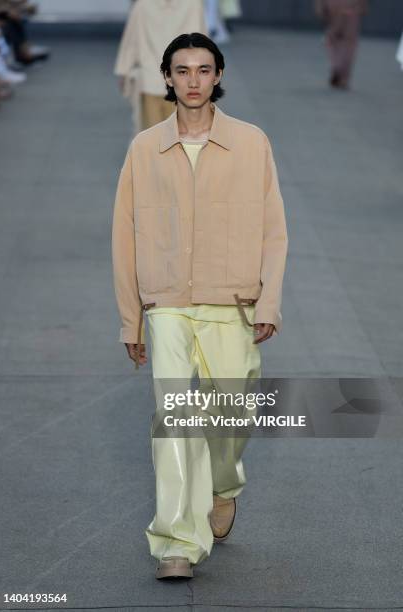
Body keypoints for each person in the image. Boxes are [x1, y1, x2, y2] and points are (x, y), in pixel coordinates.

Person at [112, 32, 288, 580]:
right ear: (166, 77)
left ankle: (223, 484)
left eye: (203, 70)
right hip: (166, 301)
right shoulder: (144, 147)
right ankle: (175, 543)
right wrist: (130, 317)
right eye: (182, 70)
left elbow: (274, 230)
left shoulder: (252, 142)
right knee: (174, 418)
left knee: (228, 416)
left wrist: (270, 302)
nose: (192, 80)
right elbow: (124, 233)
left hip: (232, 301)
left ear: (218, 76)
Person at [114, 0, 207, 133]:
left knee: (152, 137)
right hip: (184, 85)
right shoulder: (194, 5)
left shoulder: (142, 6)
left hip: (150, 81)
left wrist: (124, 70)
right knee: (182, 137)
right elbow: (203, 46)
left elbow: (131, 42)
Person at [315, 0, 368, 89]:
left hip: (333, 5)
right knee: (349, 44)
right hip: (353, 7)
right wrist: (363, 5)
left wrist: (320, 7)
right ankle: (344, 77)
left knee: (332, 39)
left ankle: (336, 65)